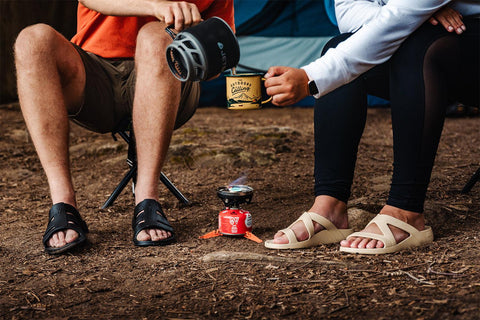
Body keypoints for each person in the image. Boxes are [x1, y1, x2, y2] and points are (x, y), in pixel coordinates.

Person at [14, 0, 234, 254]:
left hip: (170, 77)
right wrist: (156, 6)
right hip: (94, 77)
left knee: (157, 35)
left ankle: (148, 199)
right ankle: (63, 205)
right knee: (31, 40)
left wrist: (198, 40)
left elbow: (220, 59)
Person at [263, 0, 479, 254]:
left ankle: (406, 210)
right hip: (431, 32)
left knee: (418, 47)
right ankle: (330, 205)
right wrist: (419, 16)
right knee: (339, 46)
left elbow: (403, 14)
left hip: (466, 36)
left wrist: (311, 77)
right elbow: (348, 9)